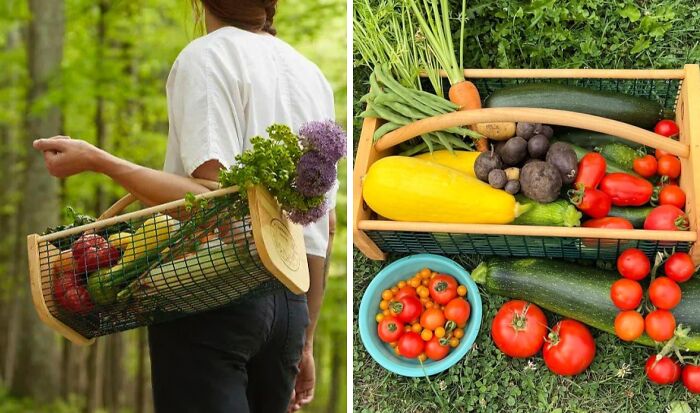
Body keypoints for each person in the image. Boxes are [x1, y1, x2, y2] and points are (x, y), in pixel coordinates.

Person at [32, 1, 337, 412]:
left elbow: (214, 203)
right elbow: (325, 225)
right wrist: (306, 339)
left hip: (210, 295)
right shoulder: (311, 76)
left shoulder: (207, 56)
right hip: (290, 304)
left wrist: (99, 161)